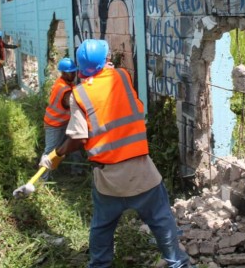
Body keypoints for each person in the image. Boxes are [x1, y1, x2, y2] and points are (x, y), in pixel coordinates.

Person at [42, 39, 193, 268]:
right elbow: (111, 75)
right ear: (106, 61)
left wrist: (55, 155)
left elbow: (78, 138)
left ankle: (100, 265)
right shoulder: (122, 77)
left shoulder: (78, 95)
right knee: (162, 221)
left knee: (102, 228)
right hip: (141, 171)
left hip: (108, 178)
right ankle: (178, 263)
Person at [41, 58, 83, 177]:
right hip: (54, 124)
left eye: (74, 71)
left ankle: (77, 172)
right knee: (50, 152)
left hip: (65, 122)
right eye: (71, 72)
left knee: (75, 147)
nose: (74, 74)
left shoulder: (65, 83)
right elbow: (71, 103)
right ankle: (43, 179)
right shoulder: (64, 88)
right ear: (63, 73)